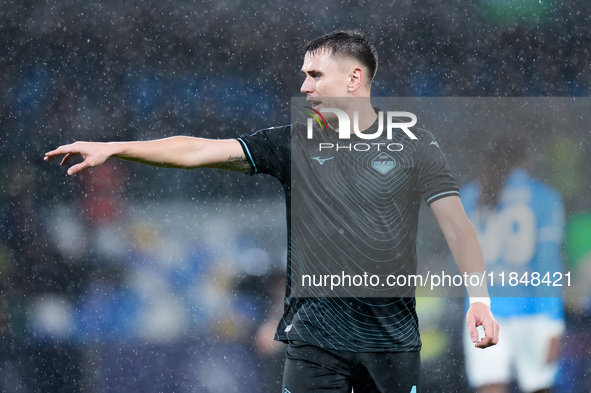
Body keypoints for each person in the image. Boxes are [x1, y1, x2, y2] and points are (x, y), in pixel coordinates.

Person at [45, 30, 499, 393]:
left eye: (316, 75)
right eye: (304, 75)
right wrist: (119, 148)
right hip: (312, 343)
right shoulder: (292, 142)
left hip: (389, 341)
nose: (304, 86)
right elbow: (199, 150)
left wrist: (479, 300)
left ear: (354, 79)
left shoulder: (414, 144)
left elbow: (458, 228)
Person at [460, 135, 565, 393]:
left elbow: (459, 265)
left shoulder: (467, 197)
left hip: (484, 309)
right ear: (526, 159)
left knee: (490, 386)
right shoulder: (544, 197)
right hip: (534, 310)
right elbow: (548, 264)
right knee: (540, 387)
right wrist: (553, 322)